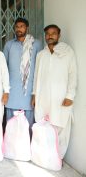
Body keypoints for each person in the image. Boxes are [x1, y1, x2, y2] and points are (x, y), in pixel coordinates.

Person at [32, 24, 77, 159]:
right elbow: (36, 76)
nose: (50, 36)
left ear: (59, 35)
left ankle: (58, 157)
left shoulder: (67, 52)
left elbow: (73, 74)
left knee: (61, 126)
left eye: (53, 33)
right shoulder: (41, 54)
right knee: (44, 125)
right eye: (48, 34)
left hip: (61, 97)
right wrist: (34, 94)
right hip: (43, 96)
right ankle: (45, 156)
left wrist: (70, 95)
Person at [3, 18, 42, 135]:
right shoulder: (9, 45)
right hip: (12, 90)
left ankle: (27, 148)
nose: (19, 29)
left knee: (28, 123)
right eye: (17, 26)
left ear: (27, 28)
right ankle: (10, 149)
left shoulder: (36, 44)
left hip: (29, 90)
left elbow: (40, 66)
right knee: (11, 123)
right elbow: (3, 67)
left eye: (22, 26)